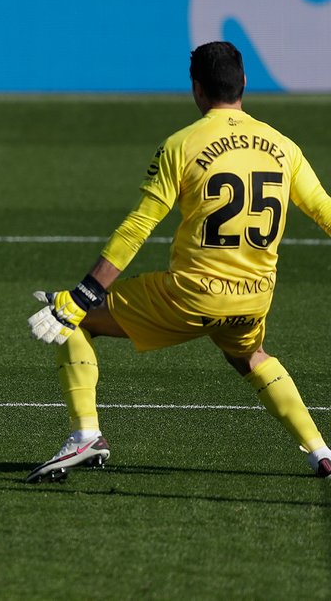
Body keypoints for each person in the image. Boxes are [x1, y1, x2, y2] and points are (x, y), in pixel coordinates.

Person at [26, 41, 331, 483]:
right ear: (244, 82)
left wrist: (85, 293)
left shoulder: (182, 144)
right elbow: (324, 210)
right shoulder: (284, 146)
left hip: (191, 295)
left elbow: (138, 227)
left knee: (76, 319)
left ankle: (86, 435)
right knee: (250, 356)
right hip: (254, 299)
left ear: (197, 89)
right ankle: (320, 451)